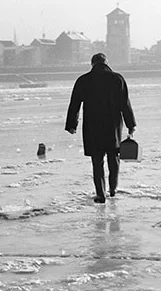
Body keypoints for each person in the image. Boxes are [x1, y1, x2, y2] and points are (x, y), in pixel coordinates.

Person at [65, 53, 137, 203]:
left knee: (97, 161)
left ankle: (100, 194)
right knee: (114, 158)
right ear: (106, 63)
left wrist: (72, 125)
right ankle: (113, 189)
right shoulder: (117, 79)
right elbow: (125, 104)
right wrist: (131, 125)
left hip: (93, 127)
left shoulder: (83, 80)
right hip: (113, 126)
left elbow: (75, 104)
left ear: (92, 64)